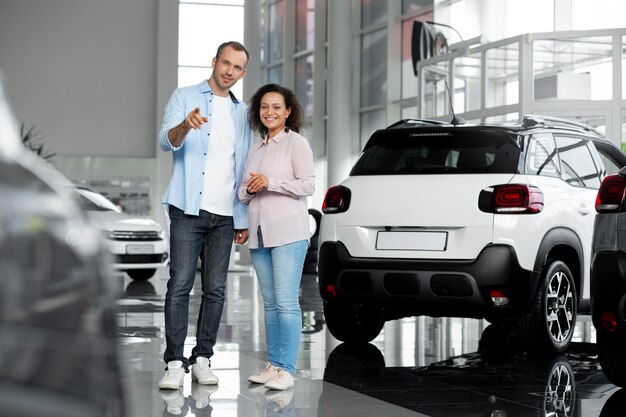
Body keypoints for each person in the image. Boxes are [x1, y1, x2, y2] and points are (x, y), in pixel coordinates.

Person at [157, 41, 253, 390]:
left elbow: (242, 166)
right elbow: (166, 141)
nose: (229, 71)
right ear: (214, 62)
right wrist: (185, 126)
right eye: (225, 63)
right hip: (187, 209)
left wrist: (243, 218)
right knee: (179, 286)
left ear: (243, 73)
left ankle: (203, 358)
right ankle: (173, 363)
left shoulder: (243, 114)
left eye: (237, 67)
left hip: (226, 216)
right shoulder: (184, 96)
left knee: (215, 290)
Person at [238, 84, 315, 391]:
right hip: (259, 234)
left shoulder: (297, 143)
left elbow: (307, 185)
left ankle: (287, 369)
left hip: (288, 233)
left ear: (288, 112)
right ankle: (274, 365)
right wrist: (251, 188)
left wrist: (271, 182)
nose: (269, 112)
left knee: (285, 303)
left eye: (276, 107)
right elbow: (243, 193)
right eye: (264, 107)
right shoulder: (255, 150)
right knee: (270, 304)